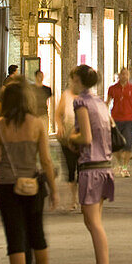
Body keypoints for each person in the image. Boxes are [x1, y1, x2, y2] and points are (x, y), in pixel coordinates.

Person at [0, 80, 57, 264]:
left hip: (7, 186)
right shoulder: (37, 124)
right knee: (37, 232)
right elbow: (46, 161)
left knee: (15, 237)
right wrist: (54, 191)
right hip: (33, 185)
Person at [68, 64, 113, 264]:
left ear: (77, 80)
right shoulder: (100, 103)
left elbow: (85, 137)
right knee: (94, 221)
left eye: (72, 79)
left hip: (91, 166)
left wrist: (69, 136)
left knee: (93, 222)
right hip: (104, 165)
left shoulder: (81, 103)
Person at [107, 68, 132, 176]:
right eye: (122, 74)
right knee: (116, 144)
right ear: (119, 75)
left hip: (128, 119)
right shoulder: (112, 88)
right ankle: (120, 164)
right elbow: (107, 102)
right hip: (115, 119)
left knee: (128, 144)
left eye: (126, 74)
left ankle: (125, 167)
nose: (124, 76)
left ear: (128, 76)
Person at [55, 71, 80, 211]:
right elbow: (58, 114)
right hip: (68, 137)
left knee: (83, 169)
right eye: (73, 80)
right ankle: (73, 199)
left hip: (83, 137)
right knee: (71, 168)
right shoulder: (66, 96)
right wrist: (60, 126)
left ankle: (84, 199)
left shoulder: (87, 97)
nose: (74, 83)